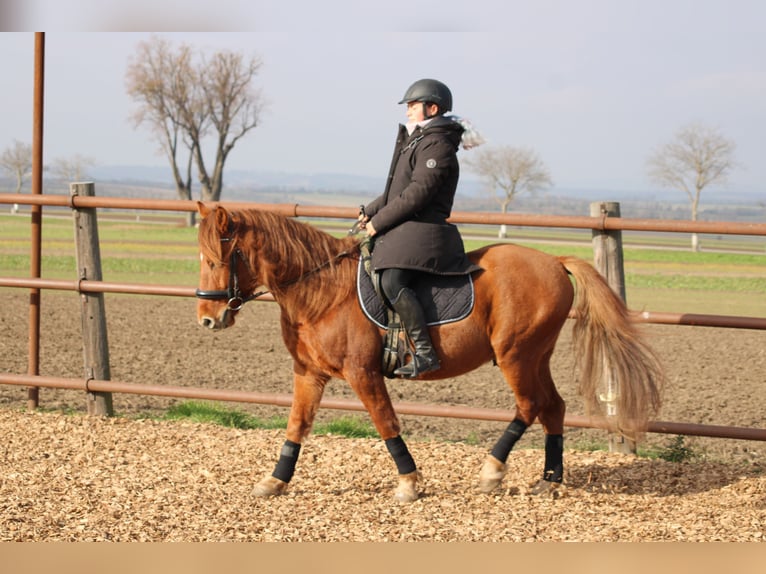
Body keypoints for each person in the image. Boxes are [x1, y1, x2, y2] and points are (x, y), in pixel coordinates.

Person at [360, 78, 483, 378]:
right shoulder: (418, 139)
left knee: (392, 281)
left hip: (425, 231)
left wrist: (379, 222)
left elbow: (419, 193)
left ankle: (425, 353)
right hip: (409, 227)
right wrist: (370, 212)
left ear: (433, 108)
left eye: (413, 105)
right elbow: (397, 191)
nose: (408, 111)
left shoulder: (438, 144)